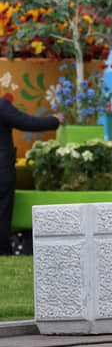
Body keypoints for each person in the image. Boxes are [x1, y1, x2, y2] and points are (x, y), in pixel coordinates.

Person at [0, 97, 63, 255]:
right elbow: (27, 122)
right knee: (2, 215)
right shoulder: (2, 106)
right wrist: (54, 120)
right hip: (2, 172)